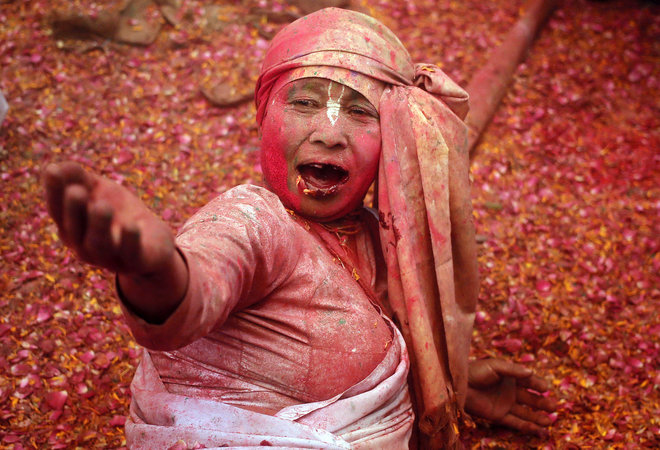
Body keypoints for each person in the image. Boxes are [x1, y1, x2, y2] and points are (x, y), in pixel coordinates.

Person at [43, 7, 555, 449]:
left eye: (360, 112)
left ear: (397, 142)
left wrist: (445, 382)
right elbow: (195, 290)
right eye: (305, 102)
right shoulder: (253, 220)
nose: (330, 133)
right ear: (262, 117)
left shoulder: (383, 238)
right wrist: (152, 271)